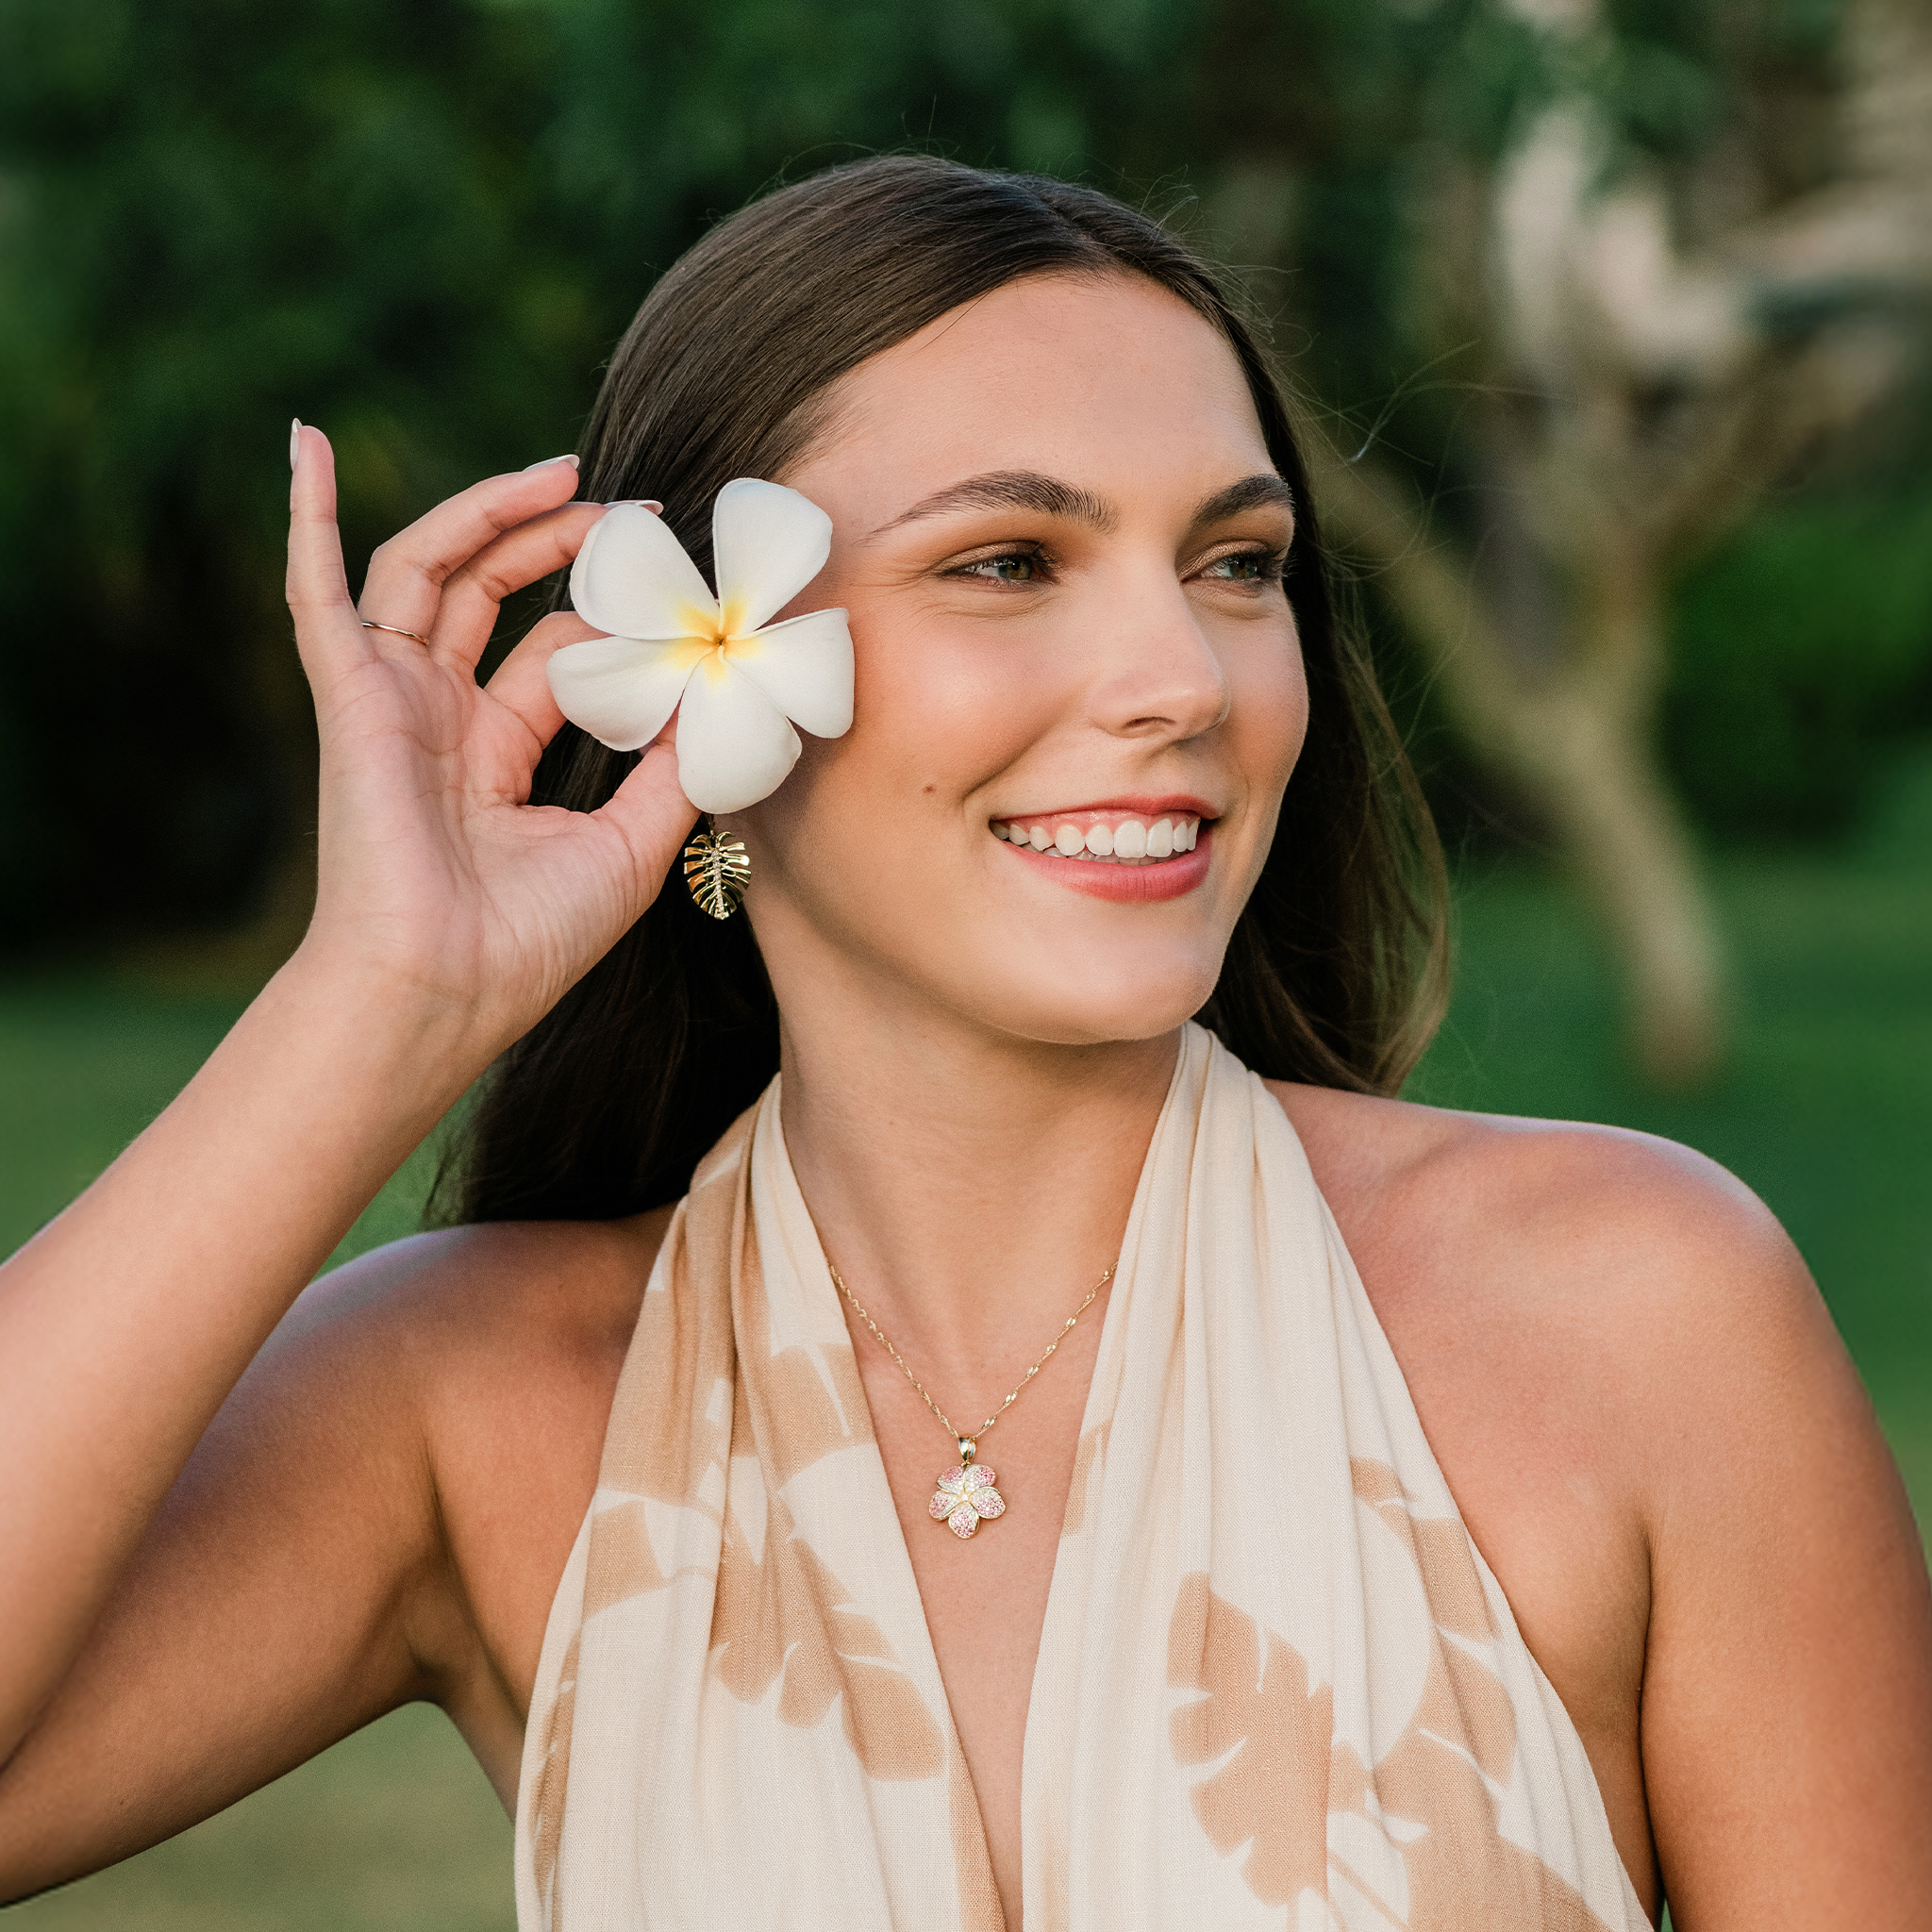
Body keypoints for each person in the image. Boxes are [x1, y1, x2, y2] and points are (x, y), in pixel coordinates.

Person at [0, 156, 1927, 1932]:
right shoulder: (476, 1409)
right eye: (1007, 561)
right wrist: (376, 1011)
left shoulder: (1631, 1317)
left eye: (1236, 563)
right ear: (699, 678)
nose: (1183, 682)